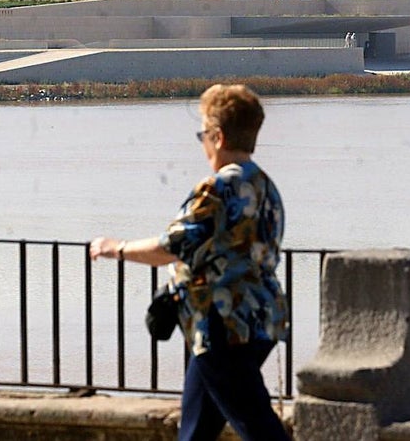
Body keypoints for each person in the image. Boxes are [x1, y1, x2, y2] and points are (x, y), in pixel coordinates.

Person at [90, 84, 289, 441]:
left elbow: (171, 247)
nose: (202, 144)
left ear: (218, 135)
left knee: (258, 427)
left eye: (203, 134)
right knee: (196, 431)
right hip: (260, 320)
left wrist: (115, 248)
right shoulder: (265, 186)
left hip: (223, 325)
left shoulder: (218, 188)